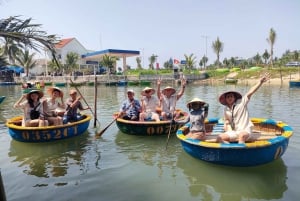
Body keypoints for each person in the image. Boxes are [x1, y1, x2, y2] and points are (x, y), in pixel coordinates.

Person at [216, 72, 270, 144]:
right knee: (219, 138)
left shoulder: (241, 102)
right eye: (228, 97)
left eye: (231, 96)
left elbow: (251, 92)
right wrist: (227, 124)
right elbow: (226, 119)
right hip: (235, 132)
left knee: (241, 136)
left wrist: (260, 82)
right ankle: (230, 149)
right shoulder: (226, 109)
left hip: (246, 131)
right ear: (225, 99)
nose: (230, 98)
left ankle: (239, 152)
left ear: (234, 98)